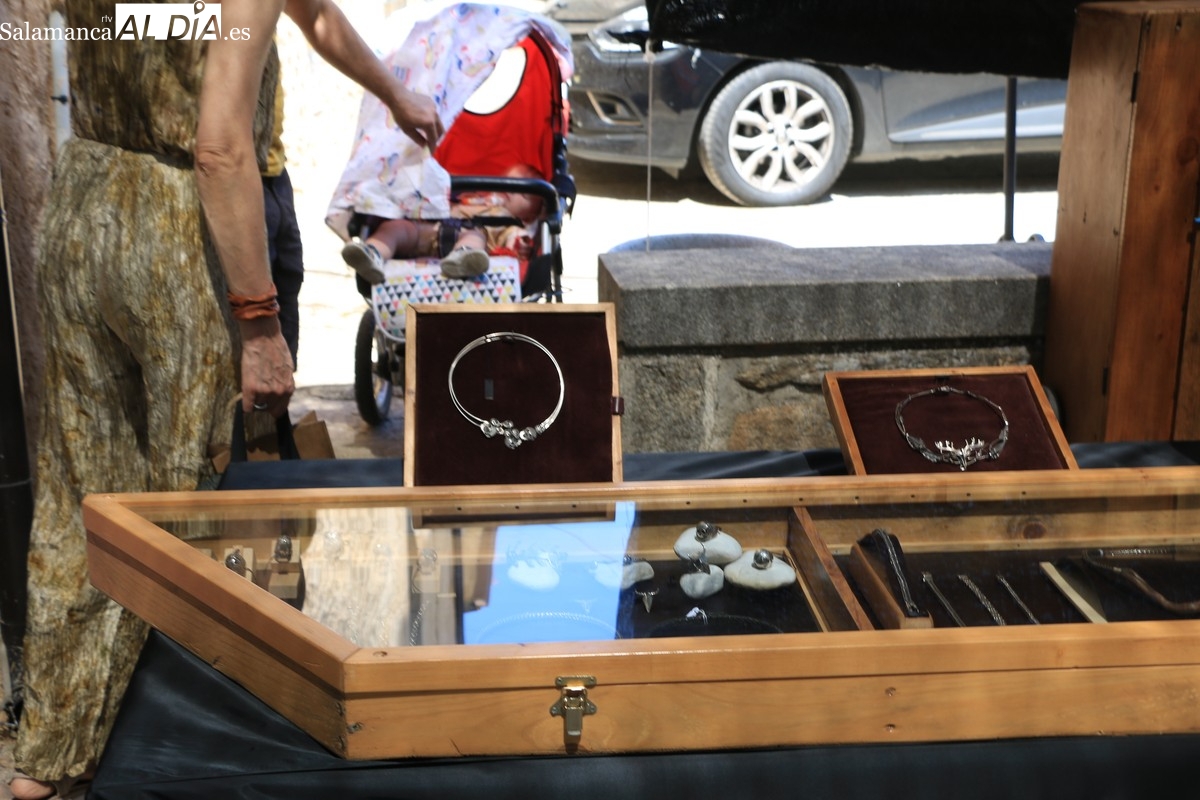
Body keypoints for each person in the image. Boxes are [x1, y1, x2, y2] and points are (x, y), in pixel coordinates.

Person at [8, 2, 441, 798]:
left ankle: (52, 747)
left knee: (82, 490)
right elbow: (217, 146)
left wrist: (393, 93)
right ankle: (175, 752)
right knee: (200, 506)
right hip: (186, 224)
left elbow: (306, 13)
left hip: (86, 203)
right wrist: (259, 321)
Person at [340, 162, 544, 283]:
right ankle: (373, 253)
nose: (511, 191)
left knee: (474, 236)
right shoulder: (476, 198)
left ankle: (463, 260)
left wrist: (520, 243)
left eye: (523, 193)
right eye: (507, 182)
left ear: (530, 216)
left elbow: (515, 238)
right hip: (431, 229)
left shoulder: (512, 224)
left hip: (472, 234)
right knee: (395, 228)